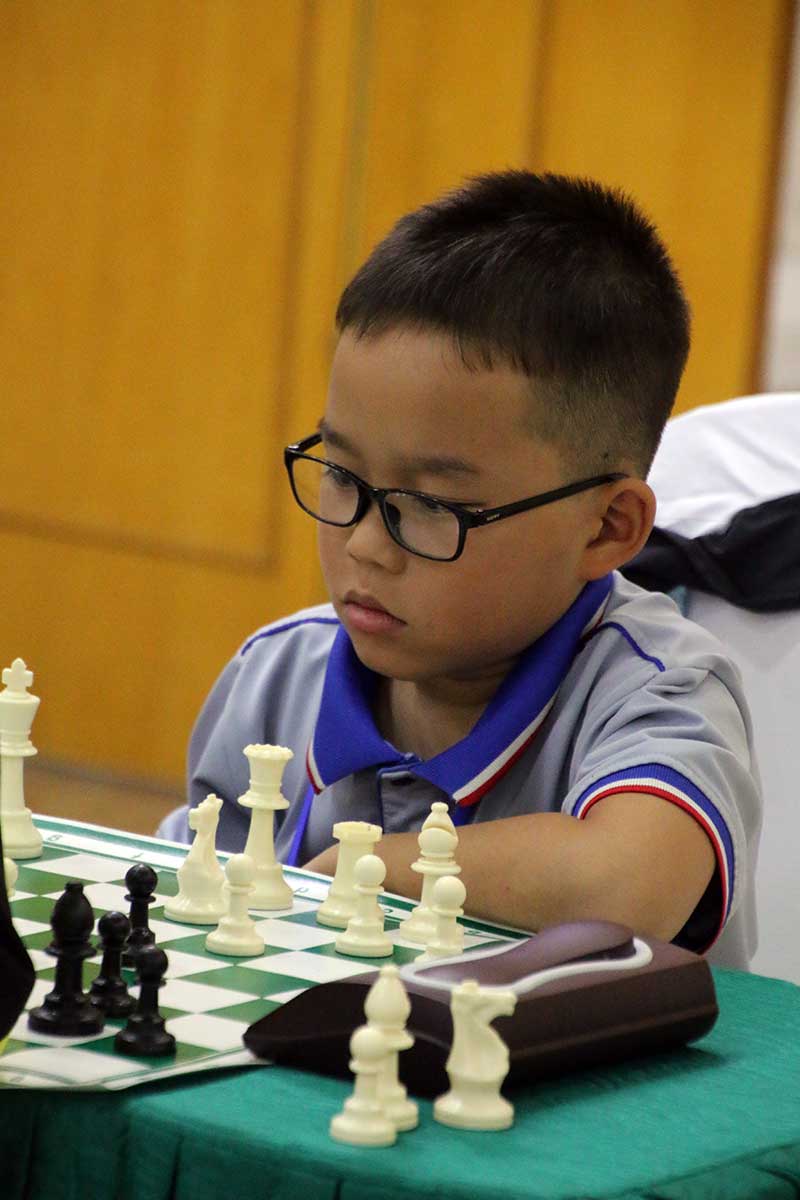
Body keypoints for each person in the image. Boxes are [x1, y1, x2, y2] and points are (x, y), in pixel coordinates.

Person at [169, 171, 761, 969]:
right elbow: (189, 913)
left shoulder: (659, 687)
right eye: (341, 475)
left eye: (428, 506)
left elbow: (629, 881)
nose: (366, 545)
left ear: (607, 528)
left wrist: (362, 868)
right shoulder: (275, 676)